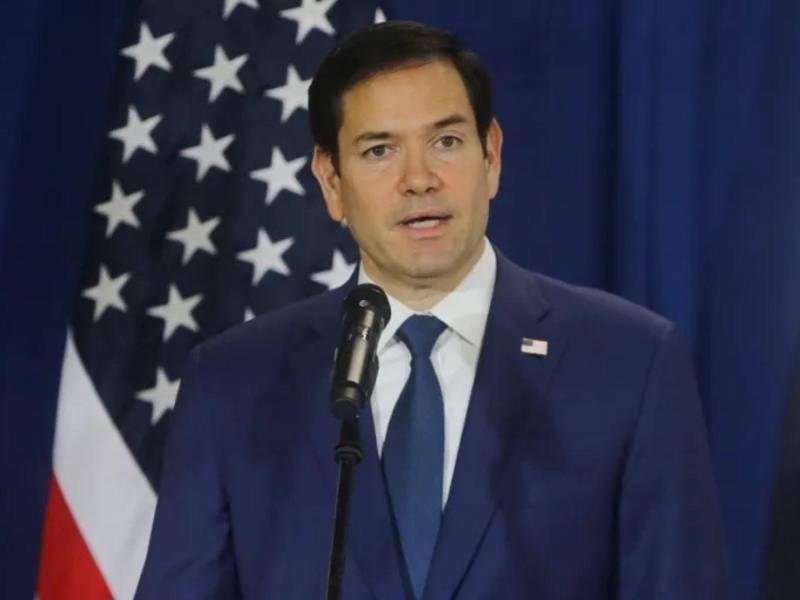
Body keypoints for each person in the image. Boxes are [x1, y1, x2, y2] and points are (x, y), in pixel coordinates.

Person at [135, 21, 728, 599]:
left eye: (446, 142)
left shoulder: (628, 362)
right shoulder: (235, 384)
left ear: (490, 155)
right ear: (331, 182)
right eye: (378, 151)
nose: (419, 179)